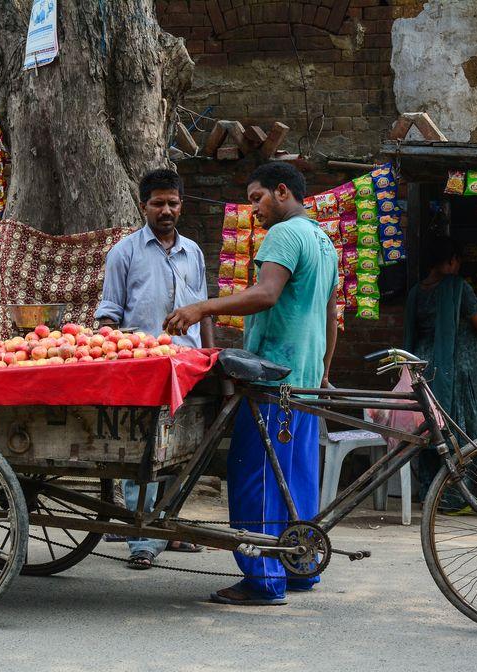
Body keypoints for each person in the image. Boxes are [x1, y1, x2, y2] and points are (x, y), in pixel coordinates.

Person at [164, 162, 338, 605]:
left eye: (257, 197)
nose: (253, 208)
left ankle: (263, 580)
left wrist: (203, 308)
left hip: (273, 379)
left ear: (282, 192)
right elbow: (331, 317)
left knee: (256, 477)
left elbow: (266, 294)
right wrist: (321, 370)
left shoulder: (285, 234)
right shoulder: (323, 239)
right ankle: (299, 569)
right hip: (303, 381)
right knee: (294, 478)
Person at [95, 168, 214, 570]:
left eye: (173, 203)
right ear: (143, 205)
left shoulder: (193, 252)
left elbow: (204, 308)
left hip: (190, 367)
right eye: (158, 203)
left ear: (182, 205)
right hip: (143, 369)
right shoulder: (124, 253)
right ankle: (142, 539)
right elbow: (108, 316)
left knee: (181, 454)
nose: (166, 210)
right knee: (143, 455)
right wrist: (113, 355)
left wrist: (212, 355)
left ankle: (168, 528)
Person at [404, 235, 477, 501]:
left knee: (432, 429)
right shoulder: (458, 287)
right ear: (453, 260)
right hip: (455, 368)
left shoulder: (416, 292)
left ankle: (432, 495)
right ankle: (458, 497)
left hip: (424, 368)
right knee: (458, 429)